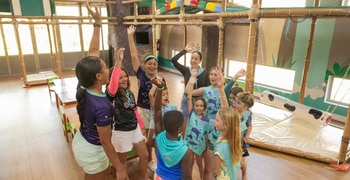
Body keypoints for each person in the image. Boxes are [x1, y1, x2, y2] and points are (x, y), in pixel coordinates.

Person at [71, 1, 128, 179]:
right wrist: (119, 167)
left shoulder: (83, 85)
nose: (107, 69)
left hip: (83, 140)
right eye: (104, 68)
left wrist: (97, 23)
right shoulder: (102, 106)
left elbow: (93, 51)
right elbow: (105, 141)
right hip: (92, 148)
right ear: (98, 76)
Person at [185, 66, 246, 180]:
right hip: (208, 128)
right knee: (207, 165)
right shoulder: (205, 89)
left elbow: (225, 97)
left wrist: (235, 77)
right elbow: (188, 93)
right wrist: (191, 80)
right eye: (211, 74)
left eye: (216, 74)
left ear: (221, 76)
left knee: (219, 164)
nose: (213, 76)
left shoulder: (223, 90)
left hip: (222, 129)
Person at [105, 48, 149, 180]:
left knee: (145, 155)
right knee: (122, 162)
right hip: (121, 132)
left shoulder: (129, 93)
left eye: (125, 76)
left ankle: (144, 177)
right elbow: (113, 83)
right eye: (120, 77)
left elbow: (134, 110)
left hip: (134, 128)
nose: (124, 79)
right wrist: (119, 60)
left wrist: (141, 125)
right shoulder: (112, 94)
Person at [127, 25, 165, 171]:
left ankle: (157, 160)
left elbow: (163, 95)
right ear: (145, 65)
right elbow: (134, 56)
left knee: (156, 137)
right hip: (143, 109)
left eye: (154, 64)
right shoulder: (141, 74)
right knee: (148, 138)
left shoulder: (160, 78)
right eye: (149, 63)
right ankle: (149, 159)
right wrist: (131, 36)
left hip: (156, 111)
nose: (152, 66)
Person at [152, 79, 193, 180]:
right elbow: (187, 177)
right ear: (179, 129)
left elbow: (157, 111)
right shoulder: (185, 151)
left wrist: (160, 88)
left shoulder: (159, 136)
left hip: (158, 177)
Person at [171, 41, 210, 120]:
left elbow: (207, 90)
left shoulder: (205, 74)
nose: (193, 60)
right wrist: (184, 50)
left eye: (196, 59)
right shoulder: (186, 70)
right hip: (186, 100)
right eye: (192, 58)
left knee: (196, 122)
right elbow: (174, 60)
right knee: (185, 121)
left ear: (200, 61)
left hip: (199, 102)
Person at [184, 71, 211, 179]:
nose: (199, 107)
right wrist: (191, 81)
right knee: (189, 164)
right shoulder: (192, 115)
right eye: (197, 105)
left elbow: (206, 136)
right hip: (189, 144)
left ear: (204, 108)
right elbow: (189, 97)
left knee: (200, 164)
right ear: (194, 106)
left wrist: (206, 148)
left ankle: (201, 177)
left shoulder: (207, 120)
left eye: (201, 106)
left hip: (200, 147)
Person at [212, 107, 242, 180]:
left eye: (217, 120)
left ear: (225, 125)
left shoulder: (221, 147)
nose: (214, 121)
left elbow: (215, 170)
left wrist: (212, 175)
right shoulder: (235, 141)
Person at [231, 90, 255, 180]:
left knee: (242, 160)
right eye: (235, 100)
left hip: (240, 141)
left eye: (238, 102)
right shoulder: (231, 111)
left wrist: (247, 136)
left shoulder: (247, 115)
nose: (234, 103)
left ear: (244, 107)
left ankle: (244, 174)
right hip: (230, 139)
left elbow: (249, 125)